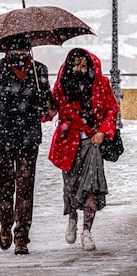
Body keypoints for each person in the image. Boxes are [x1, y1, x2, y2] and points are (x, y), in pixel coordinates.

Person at [0, 34, 52, 255]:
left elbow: (48, 104)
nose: (19, 54)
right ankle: (6, 224)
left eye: (23, 51)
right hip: (1, 138)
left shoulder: (40, 70)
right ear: (7, 51)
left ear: (29, 50)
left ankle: (22, 237)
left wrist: (43, 101)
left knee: (26, 187)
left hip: (28, 138)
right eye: (15, 51)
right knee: (3, 186)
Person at [44, 48, 119, 250]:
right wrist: (43, 99)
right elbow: (48, 113)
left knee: (92, 187)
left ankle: (87, 230)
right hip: (68, 143)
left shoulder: (102, 84)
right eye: (75, 65)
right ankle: (72, 217)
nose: (79, 69)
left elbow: (112, 110)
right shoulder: (62, 87)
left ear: (91, 67)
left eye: (83, 66)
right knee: (70, 188)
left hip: (92, 142)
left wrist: (103, 132)